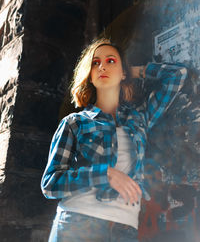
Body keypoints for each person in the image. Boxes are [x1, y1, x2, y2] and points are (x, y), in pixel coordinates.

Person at [41, 38, 187, 242]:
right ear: (90, 76)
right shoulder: (75, 123)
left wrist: (135, 71)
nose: (102, 66)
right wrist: (106, 174)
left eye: (111, 61)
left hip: (124, 228)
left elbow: (176, 75)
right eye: (95, 63)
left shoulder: (140, 118)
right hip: (78, 224)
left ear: (123, 72)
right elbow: (50, 184)